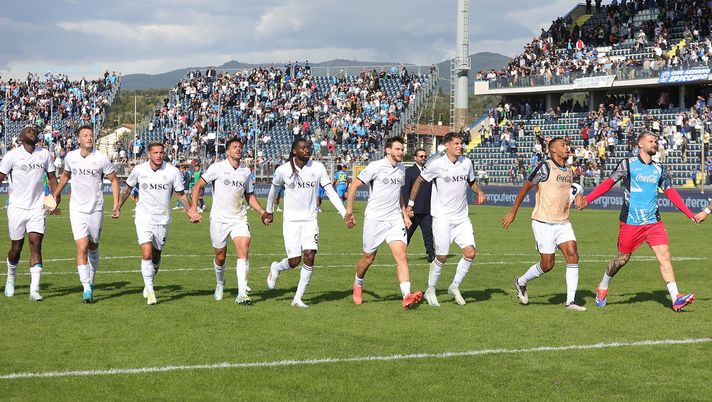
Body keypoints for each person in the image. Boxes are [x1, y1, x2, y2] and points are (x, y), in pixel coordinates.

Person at [577, 132, 697, 311]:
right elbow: (608, 183)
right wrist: (587, 200)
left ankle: (675, 298)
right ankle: (602, 286)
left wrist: (690, 214)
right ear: (640, 144)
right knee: (622, 260)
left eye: (656, 141)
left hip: (653, 222)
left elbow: (671, 192)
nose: (654, 144)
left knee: (664, 256)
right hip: (631, 222)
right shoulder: (628, 164)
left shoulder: (660, 168)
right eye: (651, 141)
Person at [501, 138, 587, 311]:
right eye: (562, 145)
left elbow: (572, 186)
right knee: (547, 264)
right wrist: (513, 212)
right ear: (553, 150)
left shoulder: (569, 170)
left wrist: (579, 194)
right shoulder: (545, 167)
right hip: (543, 222)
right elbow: (525, 187)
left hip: (563, 222)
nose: (566, 147)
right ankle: (521, 281)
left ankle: (570, 302)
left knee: (573, 255)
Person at [265, 137, 351, 308]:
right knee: (294, 260)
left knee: (310, 255)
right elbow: (273, 190)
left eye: (309, 147)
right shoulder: (283, 170)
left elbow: (330, 191)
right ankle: (276, 267)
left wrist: (344, 213)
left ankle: (298, 298)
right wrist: (269, 211)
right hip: (291, 222)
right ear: (294, 151)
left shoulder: (318, 168)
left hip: (310, 220)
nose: (307, 150)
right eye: (303, 148)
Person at [406, 132, 486, 306]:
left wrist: (479, 191)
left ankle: (455, 286)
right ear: (447, 146)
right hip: (442, 218)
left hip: (461, 218)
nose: (460, 146)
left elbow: (471, 182)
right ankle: (431, 289)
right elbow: (419, 181)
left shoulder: (467, 163)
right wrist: (410, 204)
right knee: (441, 256)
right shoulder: (436, 164)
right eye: (456, 143)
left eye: (461, 143)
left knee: (470, 252)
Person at [343, 136, 423, 309]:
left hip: (394, 219)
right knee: (368, 258)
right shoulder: (375, 167)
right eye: (398, 149)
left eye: (402, 149)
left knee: (401, 255)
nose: (401, 152)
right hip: (375, 219)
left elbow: (399, 195)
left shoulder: (402, 168)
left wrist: (405, 215)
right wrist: (349, 210)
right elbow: (355, 185)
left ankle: (406, 295)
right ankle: (358, 283)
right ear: (388, 150)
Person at [189, 137, 271, 304]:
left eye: (240, 147)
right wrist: (193, 209)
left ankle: (242, 293)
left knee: (244, 249)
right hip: (219, 219)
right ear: (227, 151)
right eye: (234, 147)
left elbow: (249, 196)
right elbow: (197, 186)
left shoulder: (246, 172)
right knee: (220, 256)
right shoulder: (217, 168)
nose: (238, 149)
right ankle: (220, 283)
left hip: (239, 218)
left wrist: (262, 212)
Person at [117, 142, 199, 305]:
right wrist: (117, 206)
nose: (159, 155)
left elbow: (181, 195)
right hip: (143, 217)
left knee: (156, 255)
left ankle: (150, 280)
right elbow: (127, 190)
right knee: (146, 253)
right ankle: (150, 290)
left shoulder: (172, 171)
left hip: (162, 219)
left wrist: (191, 212)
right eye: (155, 152)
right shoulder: (139, 170)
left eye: (161, 152)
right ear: (149, 154)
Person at [52, 125, 121, 303]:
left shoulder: (101, 158)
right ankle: (86, 288)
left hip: (96, 208)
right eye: (85, 135)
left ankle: (92, 278)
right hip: (76, 209)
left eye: (90, 135)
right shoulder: (71, 157)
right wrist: (57, 193)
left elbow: (114, 180)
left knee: (93, 246)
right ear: (79, 139)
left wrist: (116, 204)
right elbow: (66, 176)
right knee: (82, 247)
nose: (89, 138)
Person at [1, 126, 59, 301]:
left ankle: (34, 289)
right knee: (16, 248)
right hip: (17, 208)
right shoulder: (11, 156)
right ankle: (11, 278)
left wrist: (56, 196)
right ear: (21, 137)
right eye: (29, 131)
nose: (33, 132)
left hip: (37, 207)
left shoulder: (44, 154)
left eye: (35, 131)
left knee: (36, 244)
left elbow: (52, 177)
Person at [401, 148, 435, 263]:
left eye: (425, 156)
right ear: (415, 158)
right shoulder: (409, 171)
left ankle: (431, 255)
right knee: (407, 234)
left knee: (428, 234)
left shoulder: (429, 171)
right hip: (413, 210)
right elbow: (405, 190)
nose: (423, 158)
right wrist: (407, 208)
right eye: (421, 156)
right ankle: (401, 254)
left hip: (427, 209)